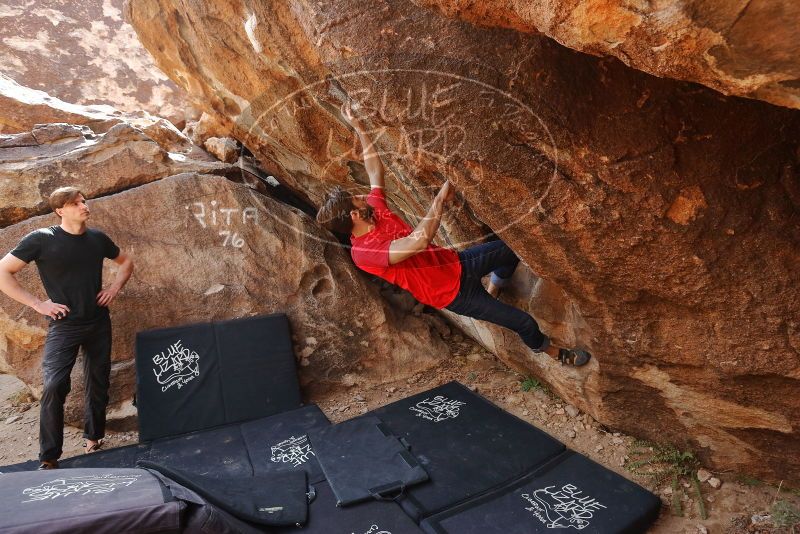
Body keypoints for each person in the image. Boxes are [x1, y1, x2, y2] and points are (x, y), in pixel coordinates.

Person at [317, 103, 591, 367]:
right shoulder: (365, 253)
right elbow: (418, 242)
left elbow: (374, 169)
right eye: (356, 199)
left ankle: (495, 285)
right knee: (524, 323)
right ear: (354, 216)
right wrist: (438, 202)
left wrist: (358, 125)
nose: (362, 196)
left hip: (457, 263)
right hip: (453, 294)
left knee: (509, 248)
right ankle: (552, 351)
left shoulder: (375, 211)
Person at [0, 187, 134, 469]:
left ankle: (94, 437)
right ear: (60, 210)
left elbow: (126, 262)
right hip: (64, 326)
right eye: (75, 203)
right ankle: (49, 456)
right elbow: (3, 271)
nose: (84, 206)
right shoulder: (41, 239)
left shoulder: (97, 239)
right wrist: (38, 304)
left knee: (98, 381)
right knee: (53, 385)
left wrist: (114, 288)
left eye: (84, 201)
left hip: (98, 322)